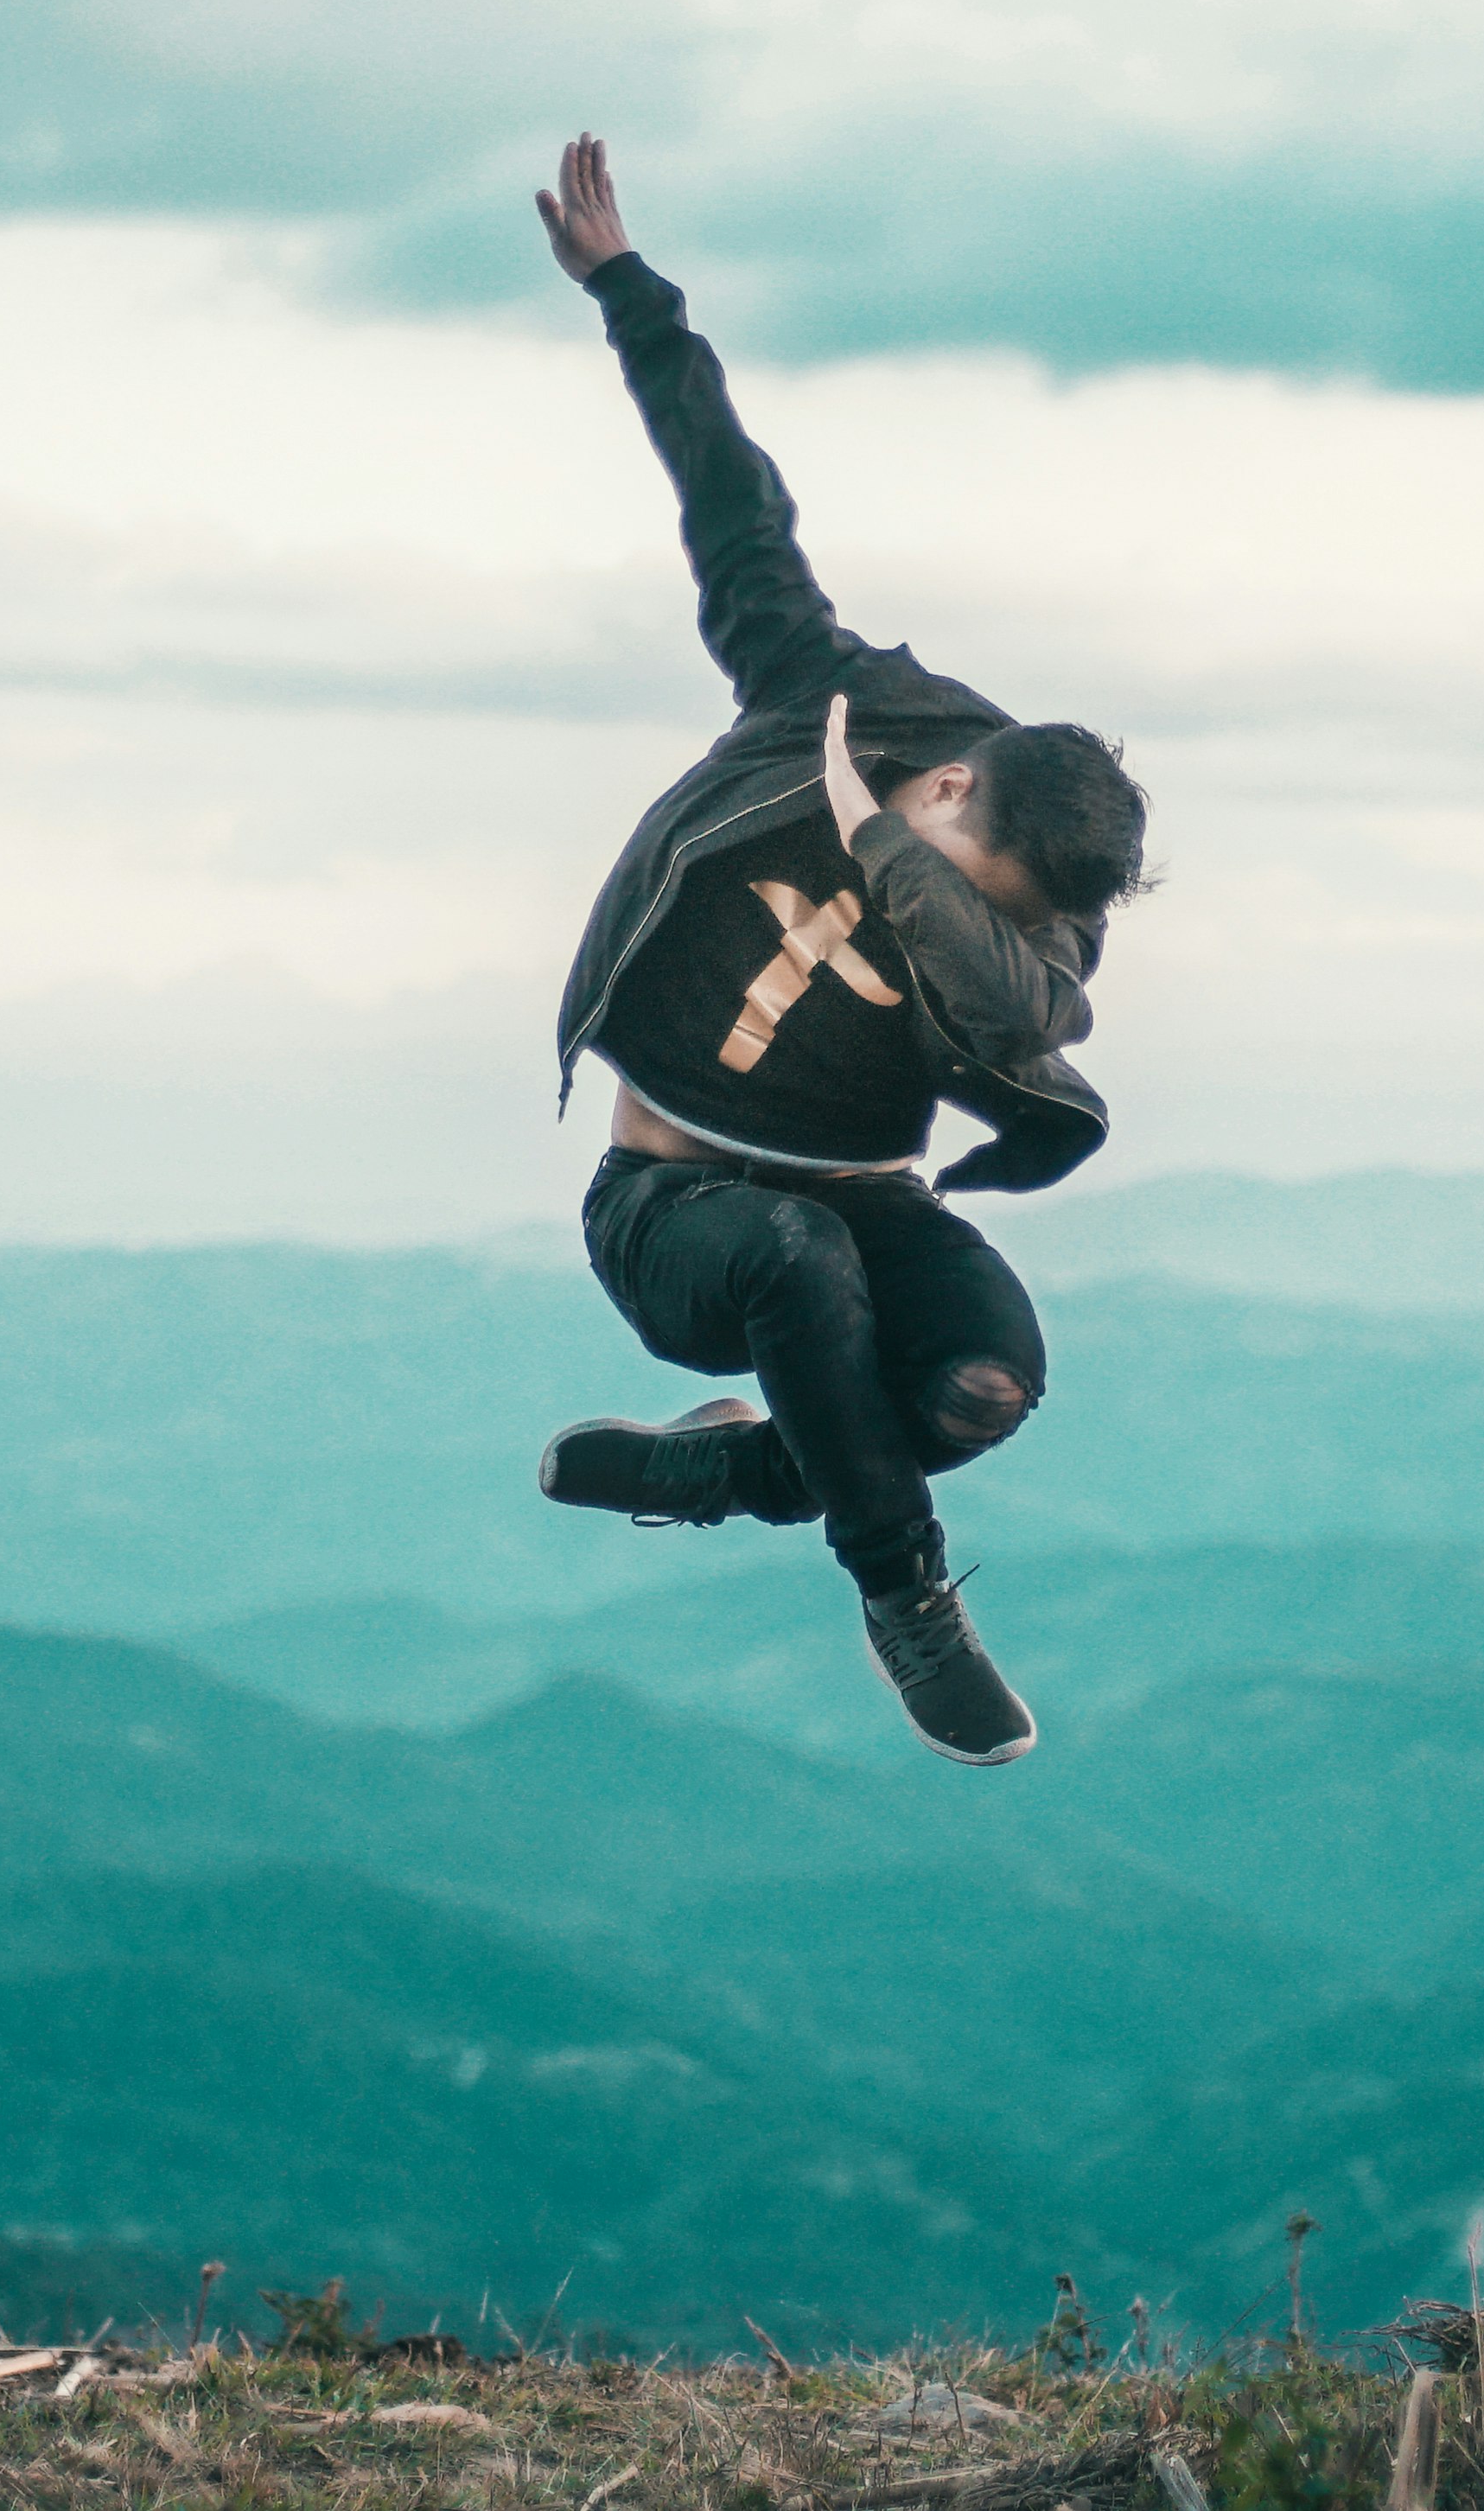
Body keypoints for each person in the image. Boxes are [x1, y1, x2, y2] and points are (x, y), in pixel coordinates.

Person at [523, 134, 1153, 1767]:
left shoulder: (1033, 927)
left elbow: (1029, 999)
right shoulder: (824, 694)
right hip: (675, 1214)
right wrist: (628, 296)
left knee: (985, 1385)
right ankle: (908, 1603)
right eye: (984, 877)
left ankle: (724, 1472)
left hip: (868, 1207)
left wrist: (920, 875)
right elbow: (731, 500)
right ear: (951, 781)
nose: (1002, 923)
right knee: (788, 1272)